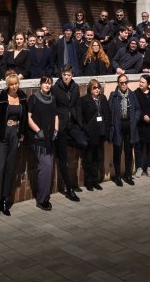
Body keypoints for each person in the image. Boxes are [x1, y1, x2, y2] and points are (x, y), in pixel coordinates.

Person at [0, 72, 26, 218]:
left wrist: (22, 134)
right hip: (2, 135)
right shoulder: (0, 99)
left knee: (10, 169)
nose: (14, 86)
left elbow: (25, 117)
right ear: (8, 85)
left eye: (16, 83)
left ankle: (5, 201)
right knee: (0, 169)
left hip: (15, 135)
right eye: (11, 84)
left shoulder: (23, 97)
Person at [27, 75, 60, 210]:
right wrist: (38, 131)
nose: (47, 85)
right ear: (40, 84)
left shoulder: (53, 99)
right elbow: (28, 118)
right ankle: (41, 199)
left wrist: (56, 130)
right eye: (45, 83)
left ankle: (44, 196)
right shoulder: (33, 98)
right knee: (45, 168)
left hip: (50, 138)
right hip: (38, 139)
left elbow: (56, 116)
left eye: (49, 83)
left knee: (49, 168)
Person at [51, 65, 82, 201]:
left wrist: (80, 124)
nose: (66, 77)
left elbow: (77, 106)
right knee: (63, 159)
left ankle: (67, 142)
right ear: (61, 75)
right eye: (64, 74)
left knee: (84, 142)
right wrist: (56, 127)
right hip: (61, 126)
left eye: (68, 74)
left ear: (72, 75)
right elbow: (53, 108)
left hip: (73, 124)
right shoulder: (55, 88)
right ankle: (69, 189)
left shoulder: (75, 87)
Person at [79, 78, 110, 190]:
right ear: (90, 89)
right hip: (90, 133)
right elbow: (81, 116)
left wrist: (107, 129)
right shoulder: (84, 100)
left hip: (101, 132)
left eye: (98, 87)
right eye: (94, 88)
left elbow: (107, 114)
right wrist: (85, 128)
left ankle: (95, 180)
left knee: (98, 158)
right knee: (89, 158)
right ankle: (88, 182)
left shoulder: (103, 98)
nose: (97, 90)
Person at [109, 73, 140, 185]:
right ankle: (117, 176)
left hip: (130, 128)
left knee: (128, 152)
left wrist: (135, 119)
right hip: (118, 127)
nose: (123, 84)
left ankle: (128, 175)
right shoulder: (113, 95)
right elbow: (109, 111)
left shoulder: (131, 95)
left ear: (128, 83)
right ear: (118, 83)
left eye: (125, 82)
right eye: (121, 82)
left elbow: (137, 109)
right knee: (117, 152)